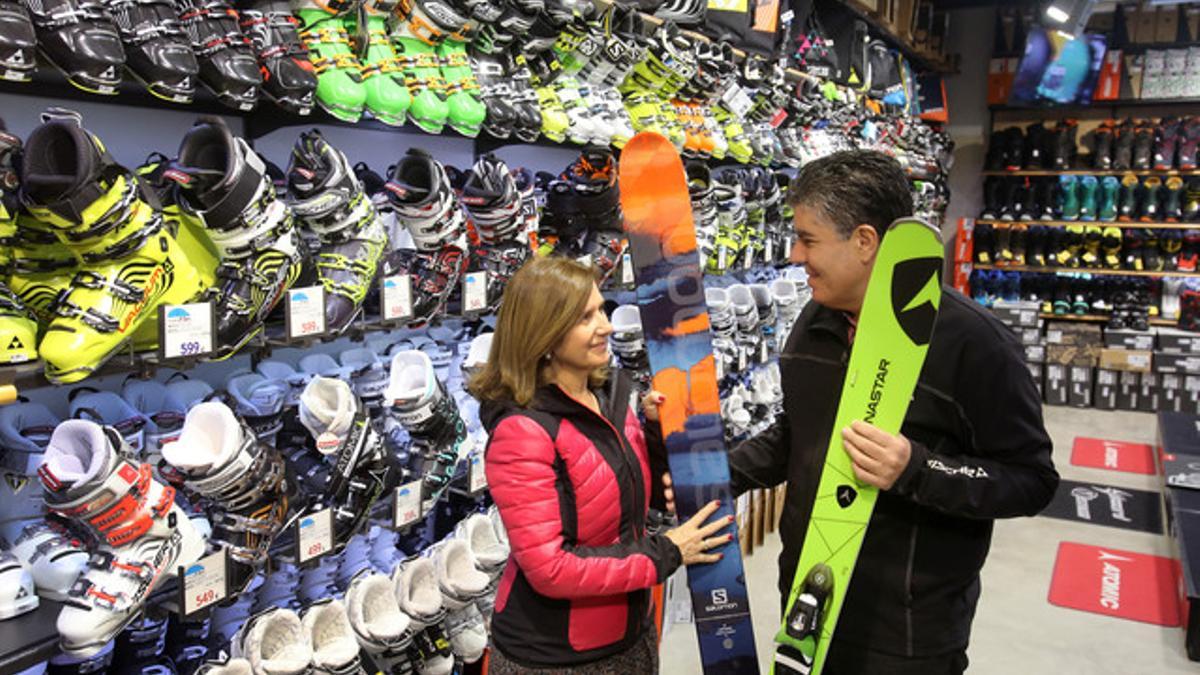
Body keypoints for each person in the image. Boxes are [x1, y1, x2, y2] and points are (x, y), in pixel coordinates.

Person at [729, 150, 1060, 675]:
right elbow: (800, 436)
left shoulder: (974, 344)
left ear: (863, 242)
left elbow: (1031, 479)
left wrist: (917, 469)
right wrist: (716, 474)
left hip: (907, 634)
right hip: (809, 606)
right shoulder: (816, 321)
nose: (794, 255)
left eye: (808, 240)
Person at [471, 255, 732, 673]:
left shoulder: (608, 396)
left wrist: (654, 433)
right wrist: (664, 553)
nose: (607, 326)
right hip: (555, 657)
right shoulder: (522, 431)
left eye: (602, 310)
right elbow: (550, 568)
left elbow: (630, 498)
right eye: (586, 317)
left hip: (630, 632)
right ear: (545, 334)